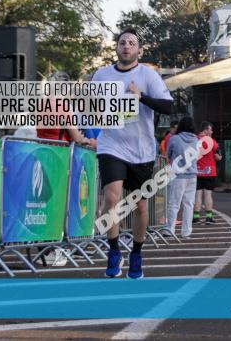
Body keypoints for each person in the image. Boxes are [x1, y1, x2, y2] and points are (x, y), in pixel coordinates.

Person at [93, 28, 174, 279]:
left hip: (142, 151)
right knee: (112, 198)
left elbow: (168, 106)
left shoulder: (147, 76)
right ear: (116, 48)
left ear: (139, 50)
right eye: (122, 42)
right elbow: (91, 108)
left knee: (139, 206)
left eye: (131, 43)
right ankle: (114, 250)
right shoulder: (101, 75)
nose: (126, 46)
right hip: (111, 145)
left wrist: (141, 98)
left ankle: (136, 253)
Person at [165, 116, 199, 239]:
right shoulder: (196, 140)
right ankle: (186, 232)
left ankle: (170, 230)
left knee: (174, 204)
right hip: (192, 175)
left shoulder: (174, 139)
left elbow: (167, 154)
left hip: (178, 175)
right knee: (189, 204)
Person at [195, 121, 222, 224]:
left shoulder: (195, 139)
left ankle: (196, 217)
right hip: (209, 172)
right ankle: (209, 217)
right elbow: (218, 157)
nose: (212, 131)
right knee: (208, 194)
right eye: (210, 129)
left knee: (197, 194)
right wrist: (219, 156)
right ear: (206, 130)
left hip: (197, 171)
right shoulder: (211, 141)